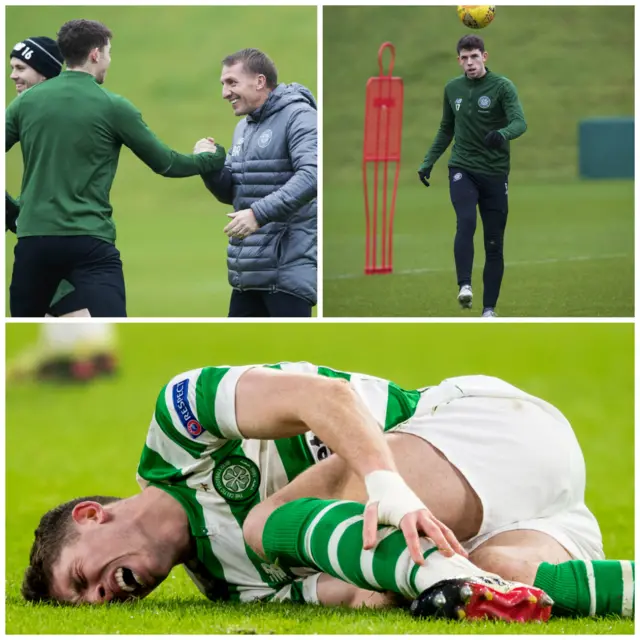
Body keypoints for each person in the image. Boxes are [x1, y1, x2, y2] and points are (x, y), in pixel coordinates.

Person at [23, 362, 634, 622]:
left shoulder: (179, 425)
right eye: (91, 604)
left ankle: (441, 575)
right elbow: (352, 593)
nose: (102, 598)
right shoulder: (234, 591)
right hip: (519, 516)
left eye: (82, 579)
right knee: (501, 576)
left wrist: (385, 485)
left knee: (268, 523)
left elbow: (326, 400)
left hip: (484, 430)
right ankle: (613, 585)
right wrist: (379, 596)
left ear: (91, 516)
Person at [5, 19, 226, 318]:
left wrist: (12, 212)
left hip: (34, 242)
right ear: (96, 54)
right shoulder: (113, 106)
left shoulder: (24, 103)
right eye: (108, 52)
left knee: (21, 333)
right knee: (112, 326)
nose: (109, 60)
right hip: (89, 243)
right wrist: (210, 158)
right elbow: (167, 164)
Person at [197, 48, 317, 318]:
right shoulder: (245, 126)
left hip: (286, 273)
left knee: (288, 356)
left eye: (232, 83)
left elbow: (312, 175)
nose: (225, 93)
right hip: (247, 272)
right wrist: (210, 166)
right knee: (237, 353)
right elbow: (235, 193)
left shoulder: (299, 116)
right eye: (223, 84)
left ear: (260, 81)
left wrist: (258, 214)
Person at [418, 35, 527, 318]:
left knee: (494, 241)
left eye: (474, 57)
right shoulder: (452, 89)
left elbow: (520, 122)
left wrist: (502, 134)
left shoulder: (502, 87)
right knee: (465, 221)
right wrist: (428, 162)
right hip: (462, 168)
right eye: (464, 58)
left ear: (485, 57)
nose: (470, 63)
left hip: (494, 172)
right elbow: (446, 129)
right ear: (459, 61)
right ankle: (464, 285)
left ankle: (488, 310)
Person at [6, 35, 101, 317]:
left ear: (45, 70)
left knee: (80, 325)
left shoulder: (74, 111)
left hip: (75, 244)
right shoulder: (21, 111)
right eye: (12, 68)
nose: (13, 76)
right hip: (44, 249)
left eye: (21, 68)